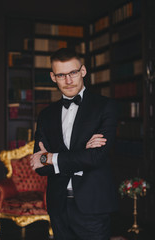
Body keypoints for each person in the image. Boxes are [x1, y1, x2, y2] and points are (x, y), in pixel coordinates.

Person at [30, 48, 118, 240]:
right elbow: (39, 165)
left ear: (83, 71)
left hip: (93, 205)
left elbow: (95, 157)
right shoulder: (46, 115)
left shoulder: (105, 106)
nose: (68, 80)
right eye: (61, 75)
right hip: (58, 204)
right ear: (53, 77)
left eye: (73, 73)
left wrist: (51, 158)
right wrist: (80, 154)